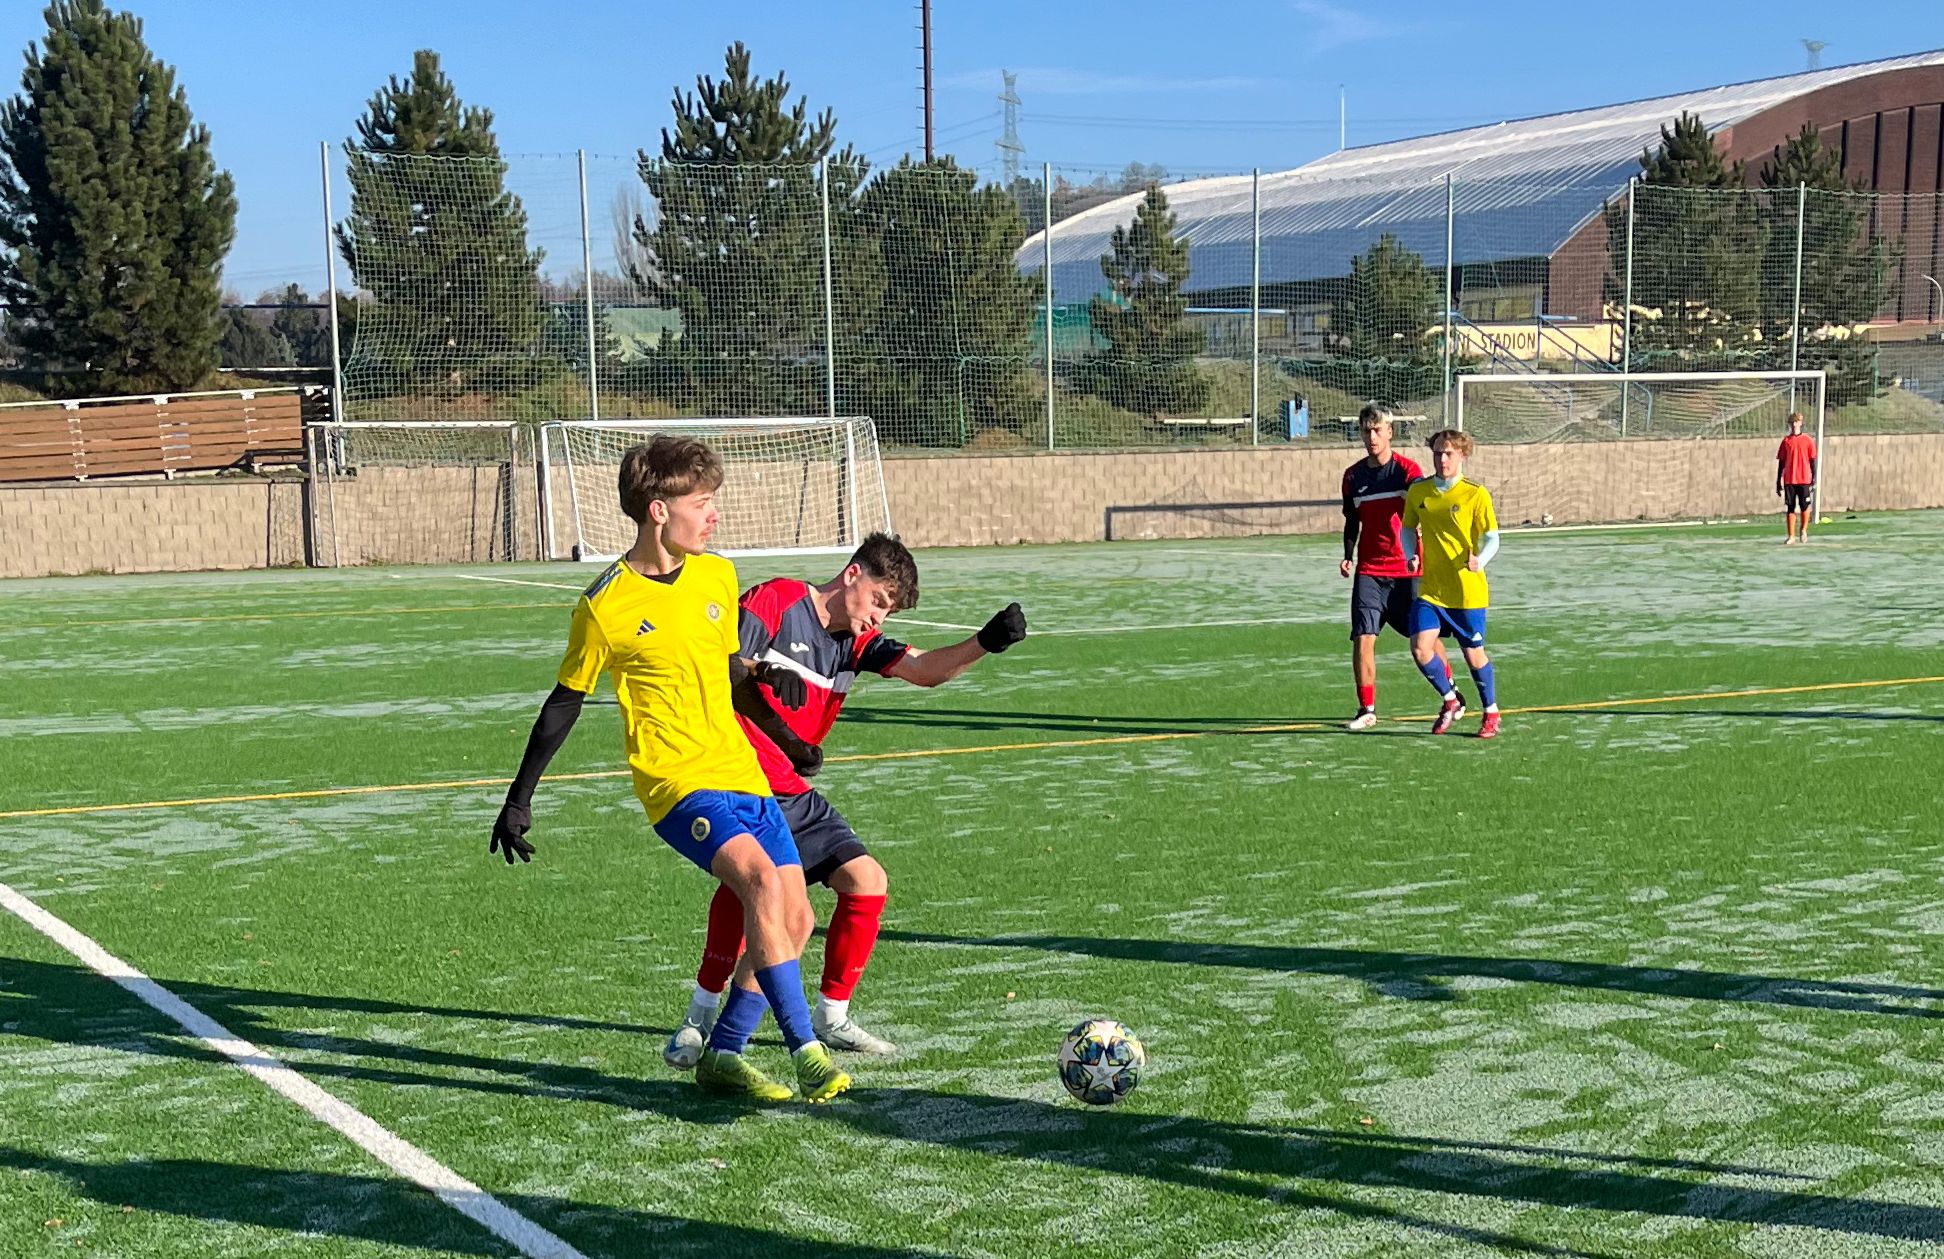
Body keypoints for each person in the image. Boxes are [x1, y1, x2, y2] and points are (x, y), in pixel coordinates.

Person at [488, 435, 850, 1104]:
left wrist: (785, 733)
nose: (714, 515)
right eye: (702, 502)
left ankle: (725, 1054)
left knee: (796, 917)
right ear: (659, 510)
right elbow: (564, 702)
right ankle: (806, 1049)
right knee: (761, 882)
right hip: (675, 782)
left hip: (743, 772)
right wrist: (519, 797)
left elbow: (730, 674)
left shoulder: (717, 576)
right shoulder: (605, 604)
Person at [664, 534, 1028, 1067]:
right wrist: (777, 708)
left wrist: (985, 642)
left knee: (866, 882)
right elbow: (725, 664)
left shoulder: (856, 644)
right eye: (879, 600)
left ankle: (831, 1017)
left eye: (889, 611)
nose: (878, 617)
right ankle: (700, 1016)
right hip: (741, 778)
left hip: (793, 787)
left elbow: (924, 670)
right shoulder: (779, 599)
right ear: (853, 574)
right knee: (757, 894)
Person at [1339, 402, 1445, 731]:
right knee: (1363, 637)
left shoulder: (1407, 472)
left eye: (1376, 430)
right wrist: (1348, 554)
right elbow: (1352, 520)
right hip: (1370, 570)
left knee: (1424, 638)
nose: (1371, 437)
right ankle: (1367, 709)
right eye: (1365, 431)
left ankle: (1451, 695)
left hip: (1407, 570)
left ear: (1389, 432)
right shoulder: (1353, 477)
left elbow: (1425, 510)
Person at [1401, 429, 1502, 739]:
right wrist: (1410, 555)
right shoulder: (1419, 491)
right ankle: (1450, 699)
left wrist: (1480, 560)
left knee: (1474, 656)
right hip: (1432, 590)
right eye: (1437, 453)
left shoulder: (1475, 493)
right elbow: (1407, 528)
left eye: (1448, 453)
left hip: (1466, 591)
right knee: (1420, 648)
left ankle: (1491, 711)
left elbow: (1492, 538)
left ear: (1462, 455)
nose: (1442, 459)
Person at [1776, 411, 1818, 544]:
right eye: (1792, 422)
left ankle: (1803, 530)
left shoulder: (1808, 440)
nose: (1794, 424)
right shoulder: (1786, 441)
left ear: (1800, 423)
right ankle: (1791, 536)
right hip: (1790, 479)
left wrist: (1814, 478)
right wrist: (1778, 481)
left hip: (1804, 479)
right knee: (1790, 507)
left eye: (1796, 422)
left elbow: (1812, 461)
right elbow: (1781, 462)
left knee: (1805, 506)